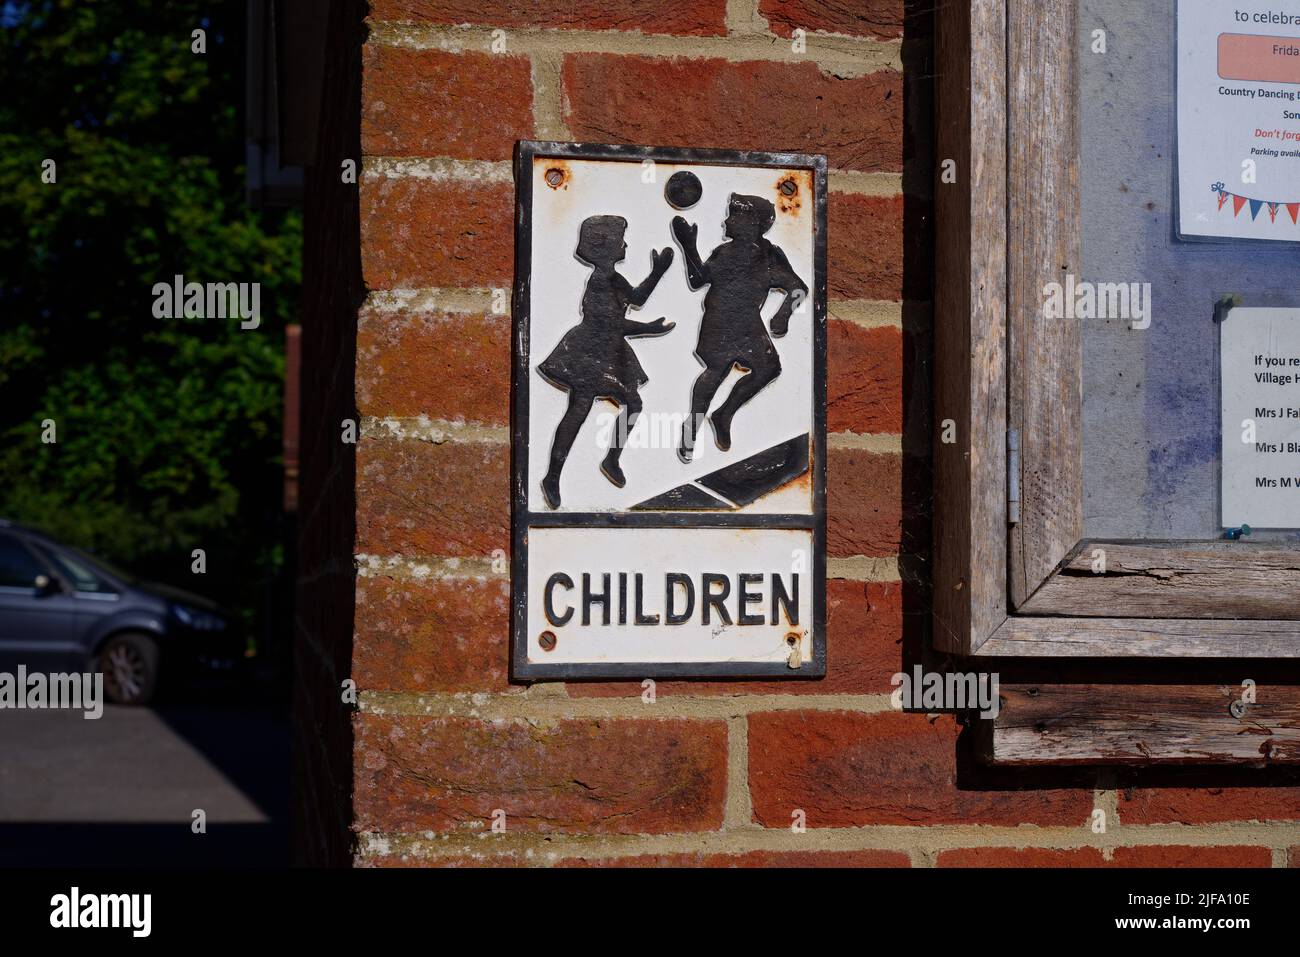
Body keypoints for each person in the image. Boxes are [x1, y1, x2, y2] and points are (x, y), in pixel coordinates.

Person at [537, 215, 675, 509]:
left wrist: (658, 272)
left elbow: (636, 298)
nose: (626, 244)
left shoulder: (613, 279)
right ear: (608, 247)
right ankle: (553, 475)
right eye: (621, 240)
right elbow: (613, 324)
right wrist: (649, 328)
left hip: (609, 351)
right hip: (589, 353)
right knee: (579, 411)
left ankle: (611, 459)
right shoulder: (600, 282)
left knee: (629, 404)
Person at [671, 194, 808, 463]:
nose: (725, 222)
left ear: (753, 223)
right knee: (715, 373)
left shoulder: (769, 255)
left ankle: (724, 413)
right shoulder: (723, 252)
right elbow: (698, 279)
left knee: (769, 369)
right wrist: (688, 246)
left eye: (733, 217)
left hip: (748, 323)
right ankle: (692, 427)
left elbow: (798, 287)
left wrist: (783, 315)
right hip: (719, 320)